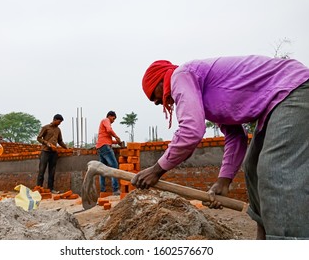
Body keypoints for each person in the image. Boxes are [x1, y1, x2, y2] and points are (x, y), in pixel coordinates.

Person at [131, 56, 309, 240]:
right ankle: (263, 237)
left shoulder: (180, 75)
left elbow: (191, 131)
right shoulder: (205, 92)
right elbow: (235, 136)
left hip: (293, 88)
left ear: (161, 80)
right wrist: (223, 181)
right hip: (277, 101)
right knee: (253, 166)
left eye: (154, 95)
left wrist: (156, 170)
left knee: (276, 170)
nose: (157, 103)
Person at [36, 114, 68, 194]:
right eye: (59, 121)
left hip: (54, 153)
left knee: (52, 171)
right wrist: (47, 143)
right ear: (55, 119)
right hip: (45, 151)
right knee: (41, 171)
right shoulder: (46, 127)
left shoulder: (58, 130)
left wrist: (66, 148)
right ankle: (39, 188)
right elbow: (39, 138)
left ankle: (50, 189)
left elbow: (60, 141)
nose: (59, 123)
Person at [96, 111, 123, 195]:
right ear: (110, 116)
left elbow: (108, 139)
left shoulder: (104, 124)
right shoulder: (105, 120)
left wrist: (117, 142)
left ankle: (102, 191)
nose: (113, 121)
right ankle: (115, 190)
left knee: (102, 170)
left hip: (101, 147)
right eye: (113, 118)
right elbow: (109, 130)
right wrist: (117, 137)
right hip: (105, 147)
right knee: (114, 166)